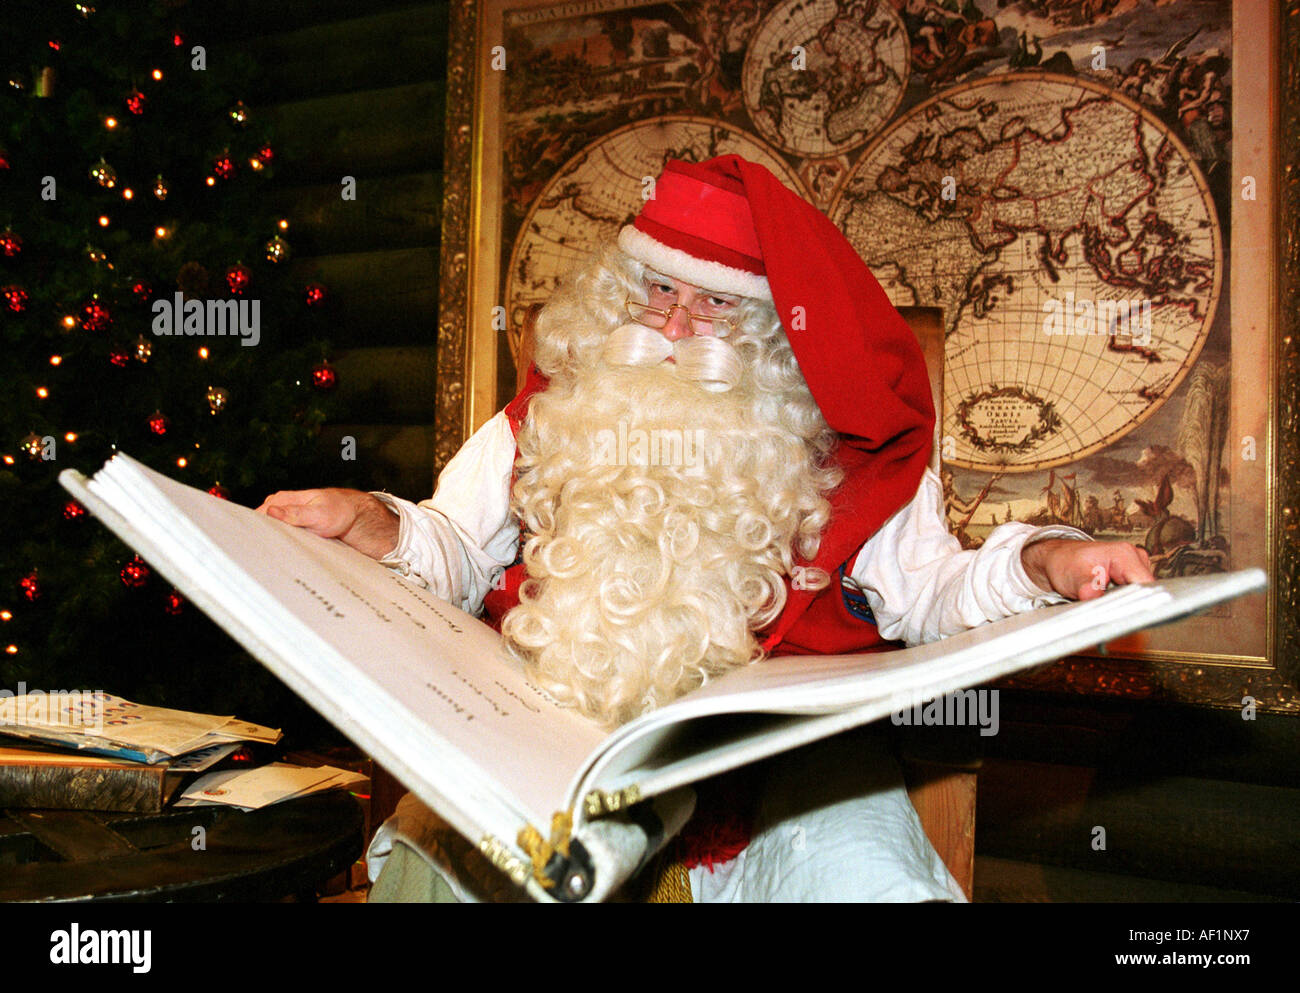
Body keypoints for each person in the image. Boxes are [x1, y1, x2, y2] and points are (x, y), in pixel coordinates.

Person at [259, 155, 1153, 900]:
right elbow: (453, 547)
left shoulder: (848, 456)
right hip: (553, 733)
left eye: (716, 304)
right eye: (656, 290)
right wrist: (379, 523)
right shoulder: (549, 417)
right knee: (452, 858)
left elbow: (934, 594)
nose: (678, 325)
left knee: (864, 879)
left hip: (778, 770)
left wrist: (1043, 561)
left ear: (772, 328)